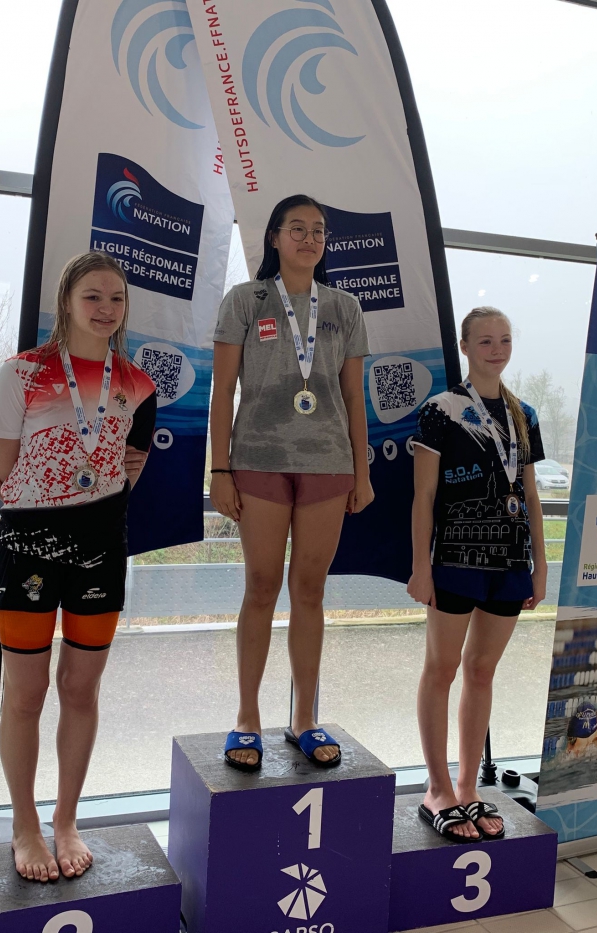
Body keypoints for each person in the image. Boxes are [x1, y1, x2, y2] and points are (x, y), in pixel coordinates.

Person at [0, 252, 156, 882]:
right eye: (92, 296)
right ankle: (25, 825)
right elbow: (2, 469)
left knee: (81, 690)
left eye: (116, 298)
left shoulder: (139, 384)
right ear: (66, 301)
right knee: (26, 693)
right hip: (28, 549)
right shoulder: (22, 373)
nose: (106, 308)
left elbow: (131, 465)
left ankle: (65, 821)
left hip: (101, 550)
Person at [210, 194, 374, 772]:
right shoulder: (245, 300)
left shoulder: (345, 307)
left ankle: (304, 717)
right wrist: (219, 469)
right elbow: (222, 392)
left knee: (310, 592)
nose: (309, 238)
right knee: (260, 588)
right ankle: (247, 717)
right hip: (258, 460)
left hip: (328, 464)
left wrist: (362, 471)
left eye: (318, 231)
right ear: (275, 237)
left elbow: (354, 397)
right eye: (297, 228)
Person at [408, 306, 546, 842]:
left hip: (509, 563)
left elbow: (530, 496)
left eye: (505, 340)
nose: (497, 349)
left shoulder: (523, 415)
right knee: (441, 670)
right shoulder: (441, 410)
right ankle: (437, 788)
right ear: (465, 347)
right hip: (454, 561)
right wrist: (421, 567)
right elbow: (423, 496)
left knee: (482, 672)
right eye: (485, 341)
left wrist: (539, 566)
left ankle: (468, 787)